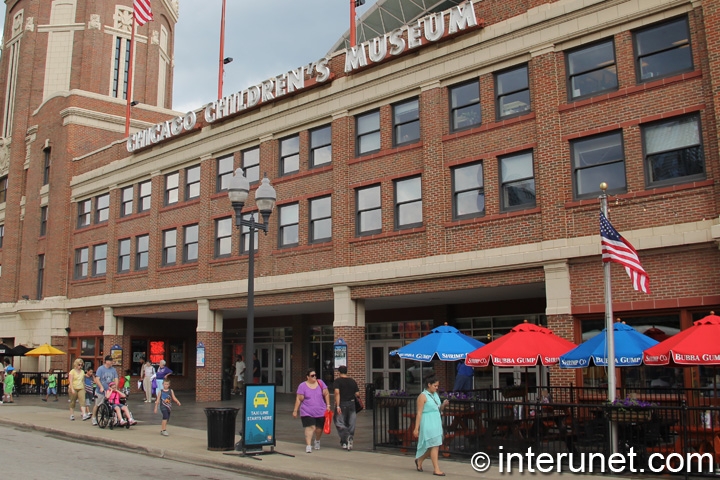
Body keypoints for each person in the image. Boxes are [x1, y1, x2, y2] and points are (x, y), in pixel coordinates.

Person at [413, 375, 449, 476]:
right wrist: (416, 428)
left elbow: (438, 409)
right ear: (429, 385)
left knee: (434, 444)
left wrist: (443, 405)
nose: (437, 388)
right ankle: (436, 469)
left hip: (436, 421)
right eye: (435, 386)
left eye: (437, 386)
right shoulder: (422, 396)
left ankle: (419, 460)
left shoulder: (435, 395)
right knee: (434, 445)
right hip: (428, 422)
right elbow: (419, 413)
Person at [293, 369, 331, 453]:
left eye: (315, 375)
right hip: (307, 411)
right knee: (311, 427)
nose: (314, 377)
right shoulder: (302, 386)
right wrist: (295, 410)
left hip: (320, 410)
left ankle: (317, 440)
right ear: (307, 377)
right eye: (312, 375)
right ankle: (308, 445)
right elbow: (299, 399)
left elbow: (326, 393)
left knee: (319, 429)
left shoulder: (320, 383)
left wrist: (328, 405)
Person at [333, 365, 360, 450]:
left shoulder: (337, 381)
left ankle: (347, 436)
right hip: (352, 404)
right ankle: (346, 441)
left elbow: (337, 393)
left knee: (339, 422)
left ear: (339, 372)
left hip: (342, 404)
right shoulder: (352, 381)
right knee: (350, 423)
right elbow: (357, 394)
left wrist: (337, 405)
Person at [92, 355, 118, 426]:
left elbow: (116, 378)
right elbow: (97, 379)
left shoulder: (113, 370)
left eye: (111, 361)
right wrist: (101, 387)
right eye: (110, 361)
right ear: (106, 361)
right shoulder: (101, 369)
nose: (111, 362)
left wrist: (116, 387)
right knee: (98, 404)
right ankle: (94, 417)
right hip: (101, 391)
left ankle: (111, 418)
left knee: (110, 404)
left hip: (109, 391)